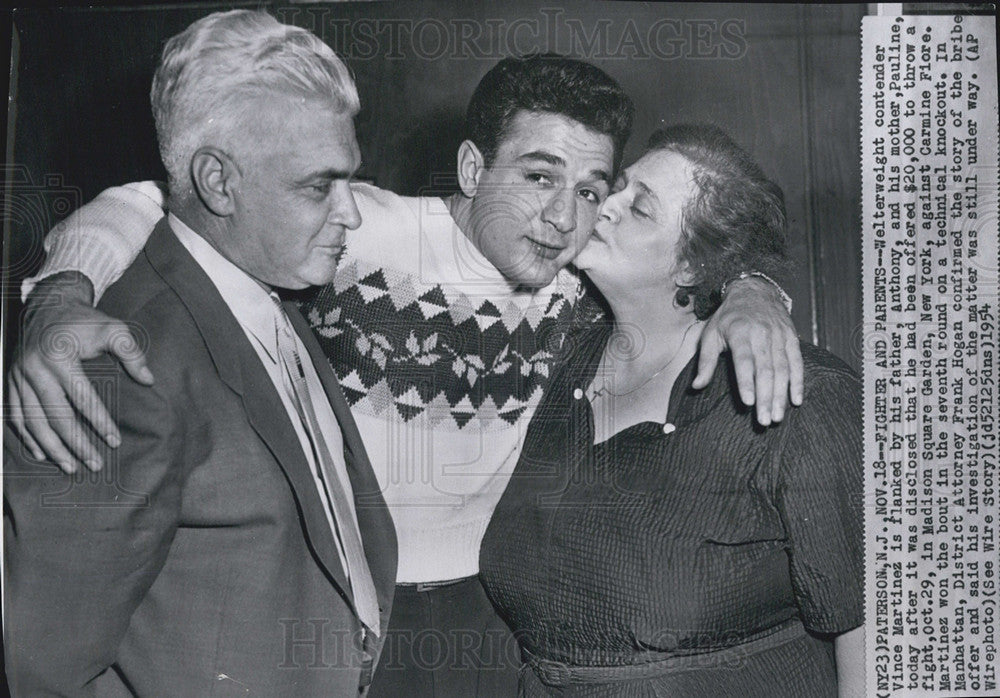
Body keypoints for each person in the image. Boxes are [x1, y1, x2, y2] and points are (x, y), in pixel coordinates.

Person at [7, 55, 804, 695]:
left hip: (482, 616)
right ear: (470, 168)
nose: (563, 218)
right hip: (327, 599)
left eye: (589, 190)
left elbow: (707, 241)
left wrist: (754, 294)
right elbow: (148, 201)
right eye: (537, 176)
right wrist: (62, 296)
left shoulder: (581, 283)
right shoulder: (357, 232)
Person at [4, 11, 397, 695]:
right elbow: (46, 664)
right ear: (218, 182)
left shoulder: (266, 283)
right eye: (317, 186)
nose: (351, 214)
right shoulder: (121, 369)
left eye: (350, 181)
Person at [479, 124, 864, 697]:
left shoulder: (797, 395)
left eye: (639, 209)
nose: (600, 206)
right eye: (617, 188)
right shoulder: (554, 344)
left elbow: (869, 637)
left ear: (691, 267)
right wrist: (755, 286)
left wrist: (751, 285)